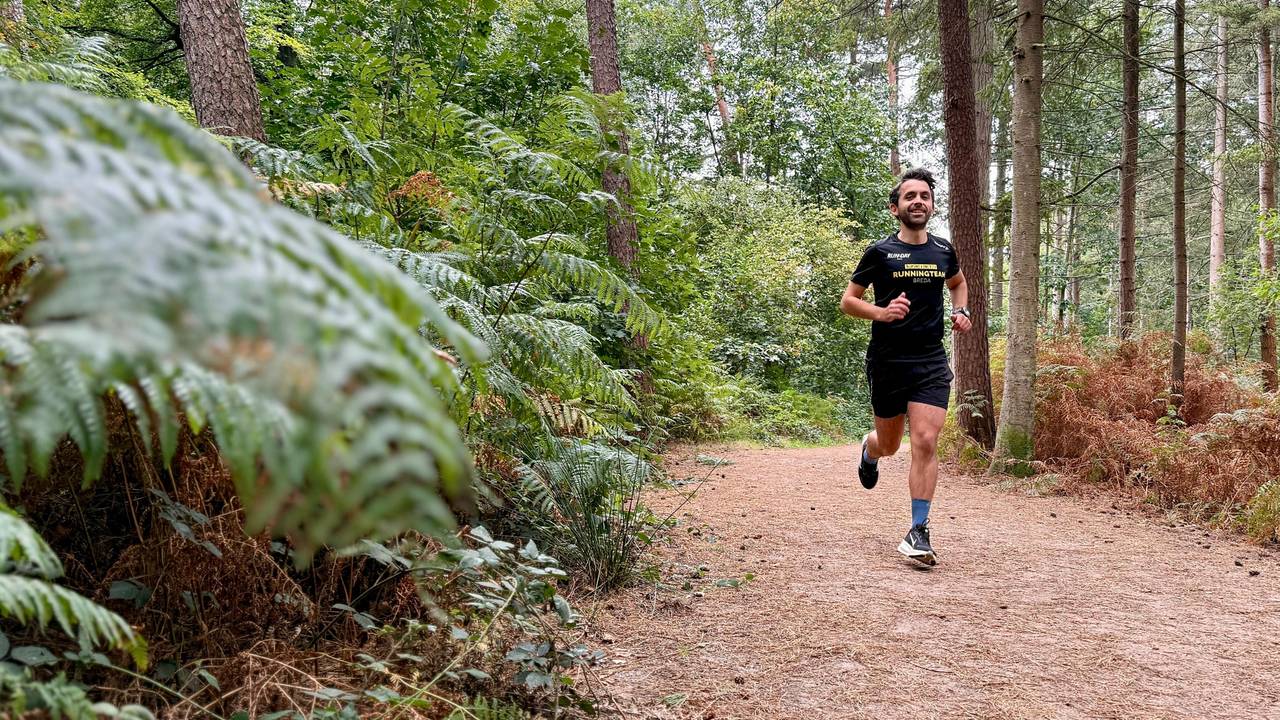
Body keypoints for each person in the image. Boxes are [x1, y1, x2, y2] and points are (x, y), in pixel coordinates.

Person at [839, 167, 971, 566]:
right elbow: (848, 301)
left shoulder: (943, 250)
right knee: (891, 444)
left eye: (925, 196)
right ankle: (870, 449)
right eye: (910, 196)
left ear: (931, 205)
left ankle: (918, 530)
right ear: (895, 207)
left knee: (926, 441)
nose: (918, 201)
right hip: (888, 361)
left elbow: (958, 283)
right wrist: (881, 312)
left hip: (930, 360)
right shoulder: (879, 253)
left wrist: (961, 310)